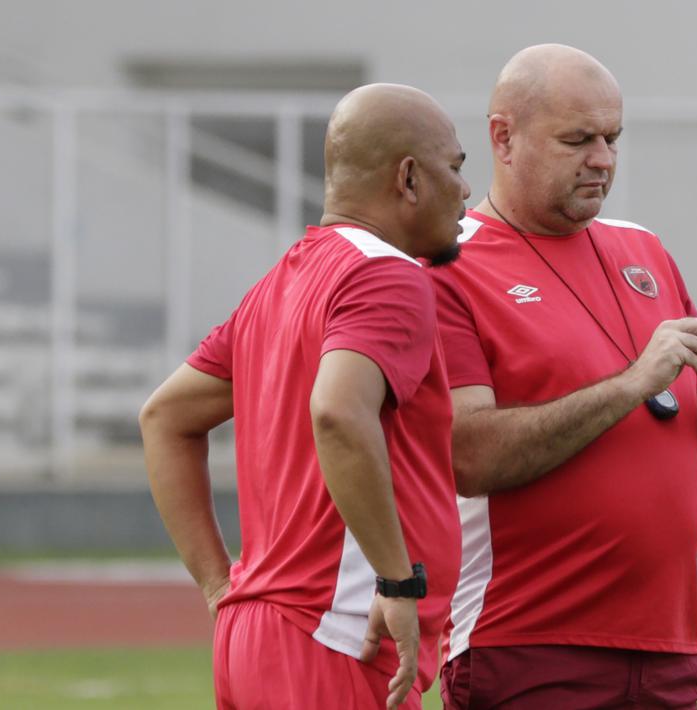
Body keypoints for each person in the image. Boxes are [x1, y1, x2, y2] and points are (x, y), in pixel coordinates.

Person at [432, 45, 697, 708]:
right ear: (503, 138)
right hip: (526, 644)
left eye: (613, 139)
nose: (602, 159)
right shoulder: (450, 267)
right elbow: (466, 456)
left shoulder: (641, 248)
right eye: (577, 140)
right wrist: (631, 384)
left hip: (668, 646)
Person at [139, 83, 471, 710]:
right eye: (454, 168)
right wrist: (398, 582)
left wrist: (218, 586)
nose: (465, 190)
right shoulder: (388, 274)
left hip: (256, 632)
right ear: (408, 178)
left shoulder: (281, 283)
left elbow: (164, 417)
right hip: (336, 635)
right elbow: (338, 412)